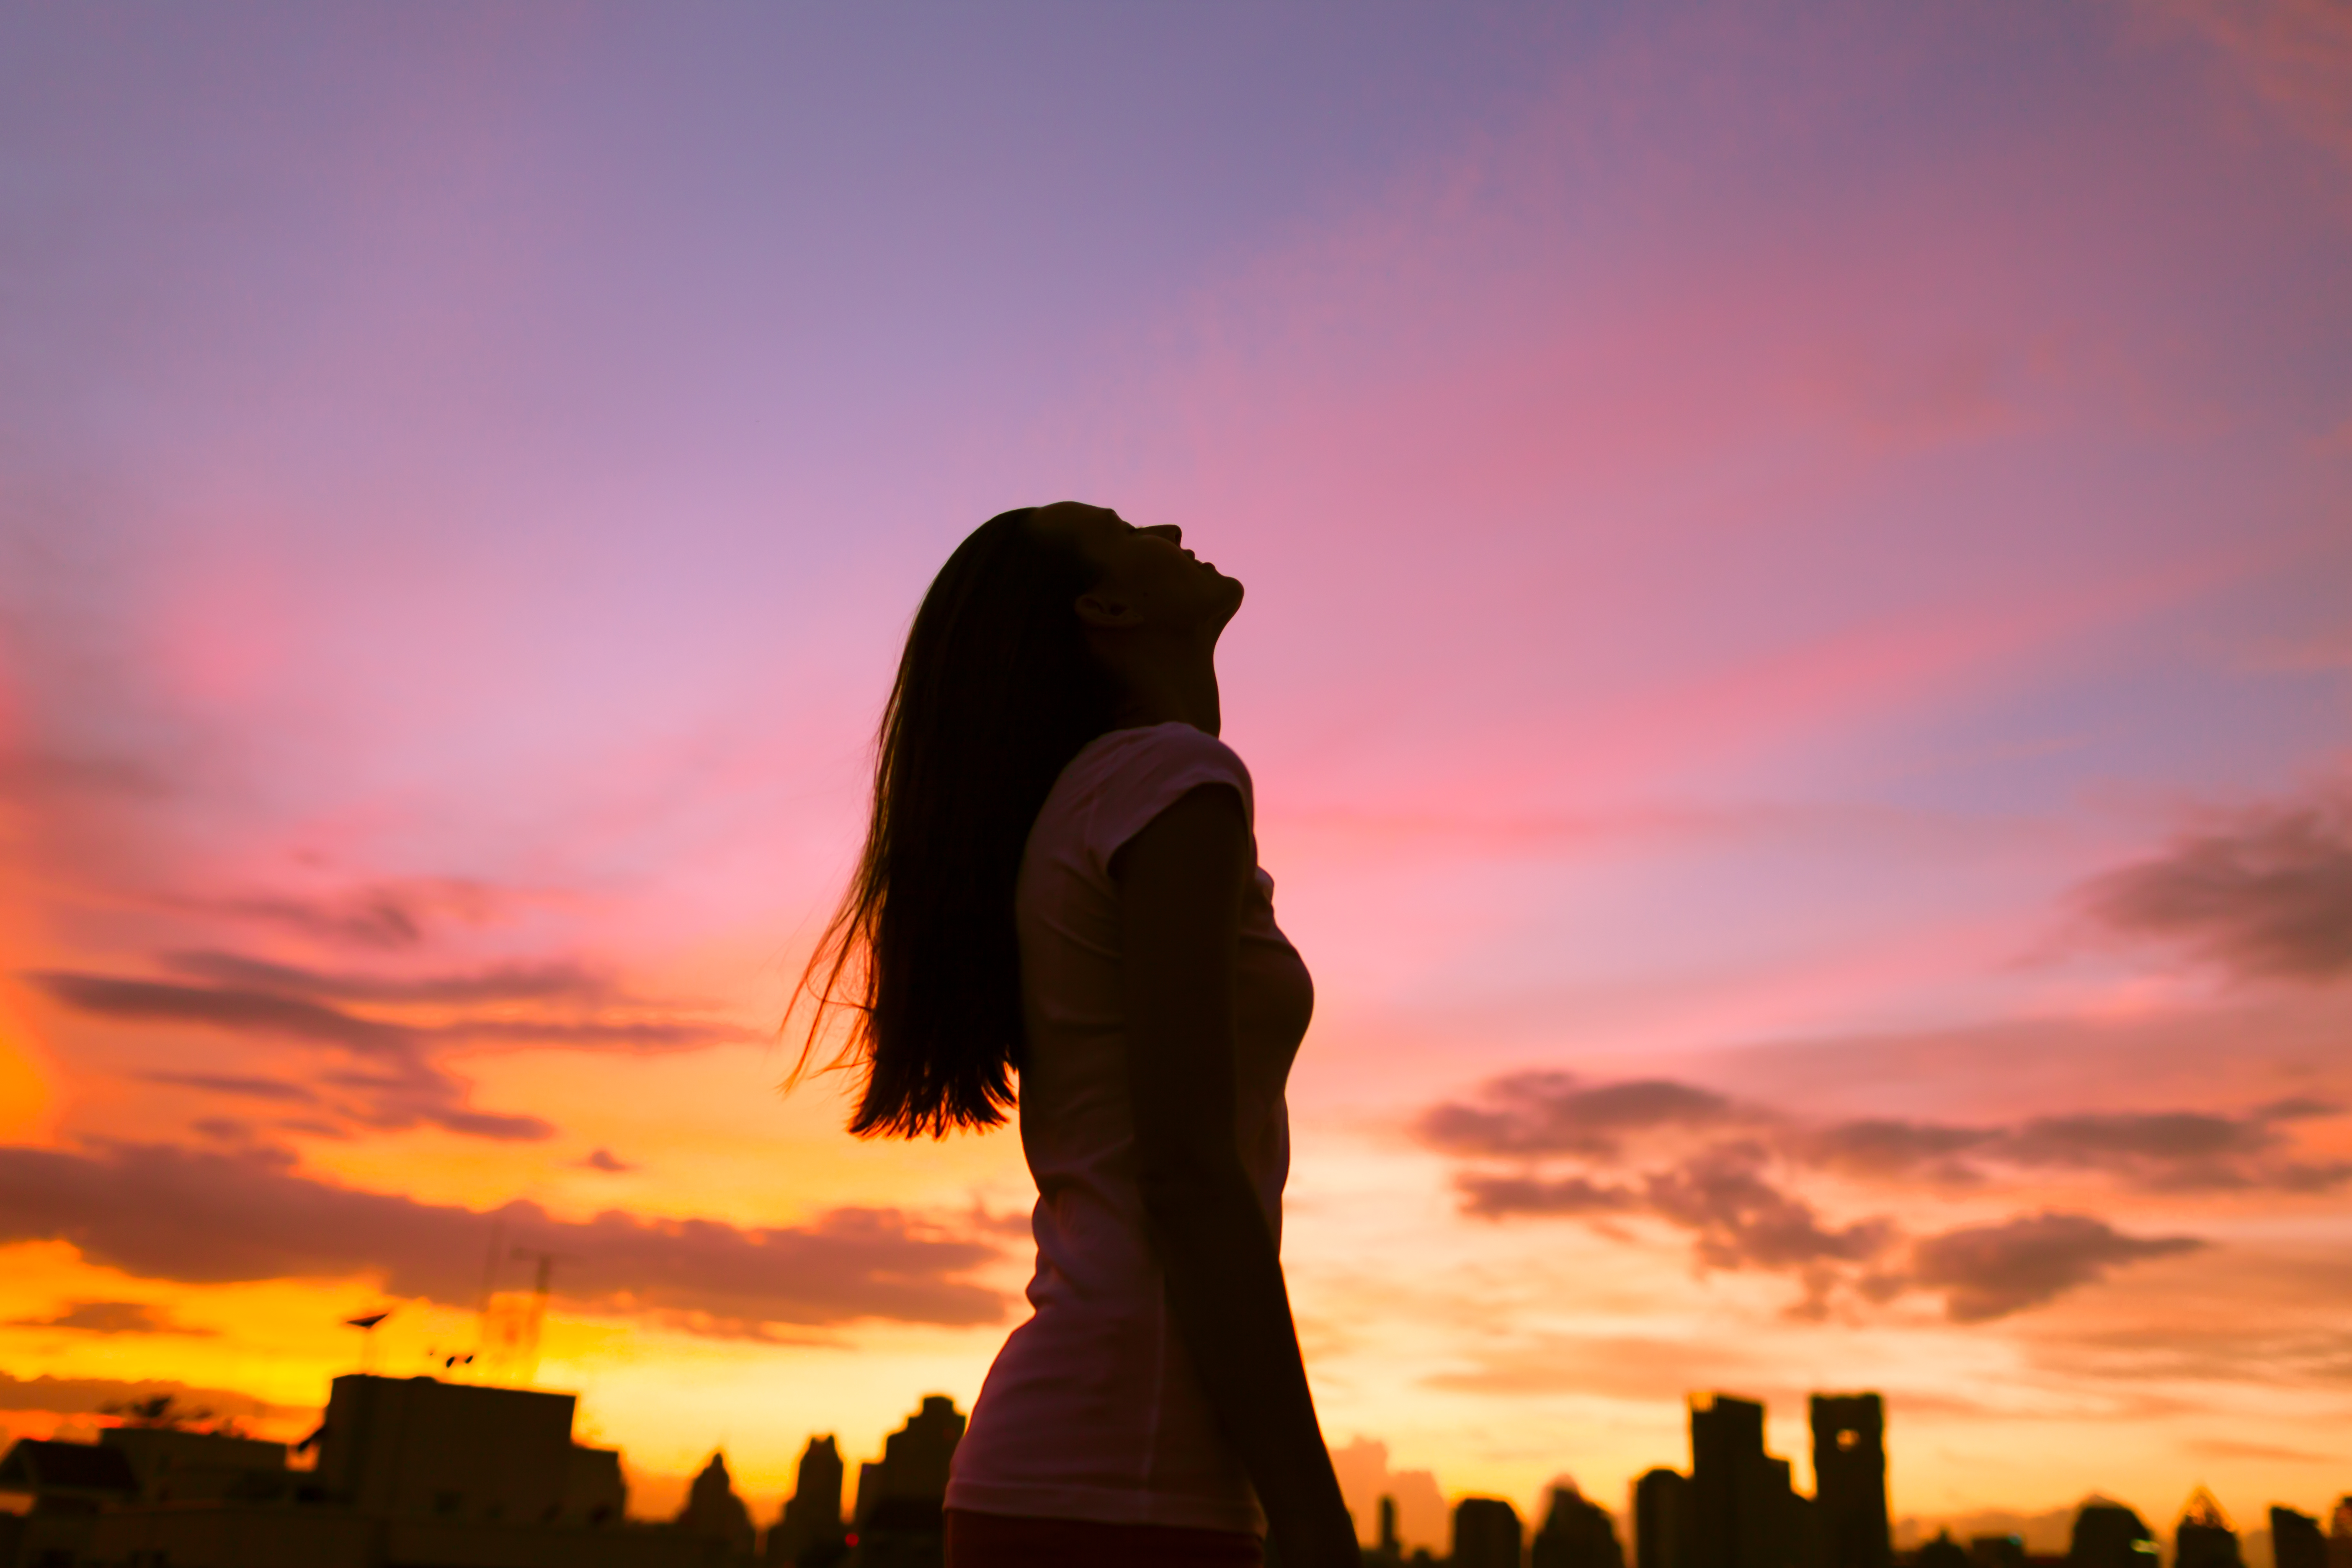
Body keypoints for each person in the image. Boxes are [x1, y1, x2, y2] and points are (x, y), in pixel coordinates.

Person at [796, 503, 1359, 1568]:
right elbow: (1188, 1178)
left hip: (1081, 1476)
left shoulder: (1098, 798)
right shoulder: (1167, 780)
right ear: (1106, 606)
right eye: (1120, 526)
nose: (1168, 521)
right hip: (1128, 1491)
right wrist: (1318, 1523)